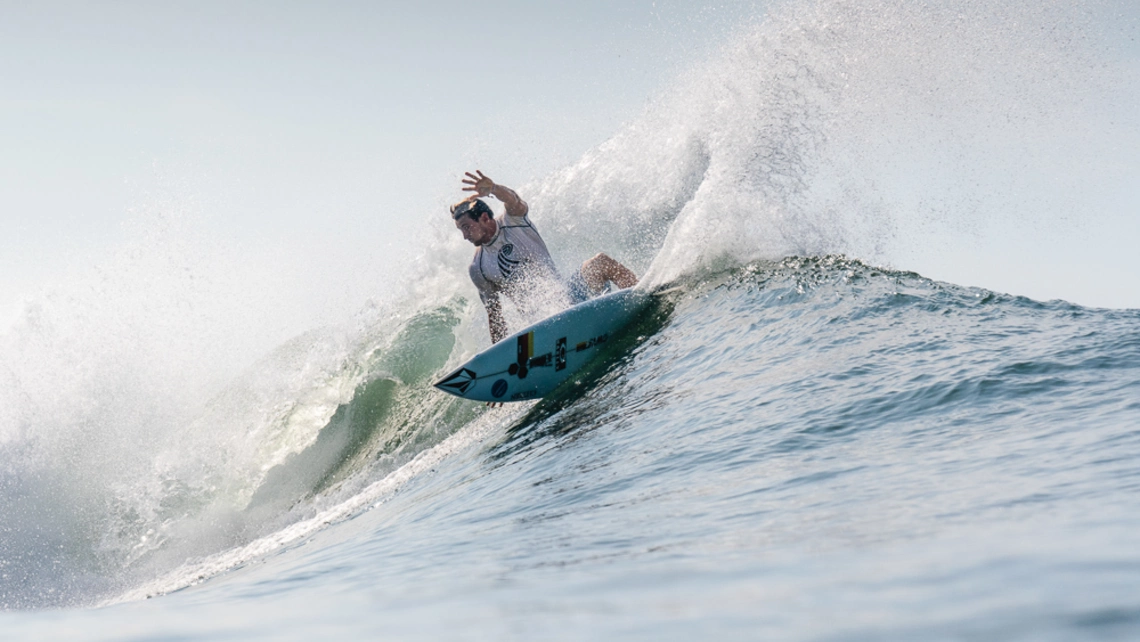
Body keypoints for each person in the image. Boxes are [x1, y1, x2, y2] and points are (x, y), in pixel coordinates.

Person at [451, 170, 638, 343]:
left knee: (600, 262)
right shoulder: (478, 268)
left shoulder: (514, 222)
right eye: (461, 230)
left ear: (484, 218)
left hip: (572, 299)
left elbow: (514, 200)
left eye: (466, 227)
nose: (465, 236)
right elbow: (495, 318)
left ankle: (641, 298)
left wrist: (493, 189)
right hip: (542, 327)